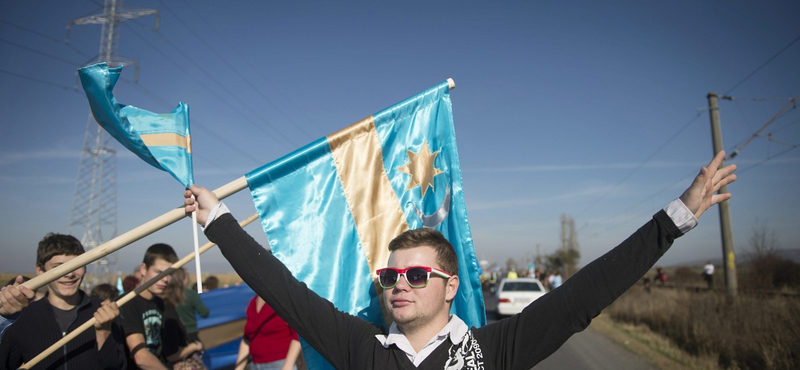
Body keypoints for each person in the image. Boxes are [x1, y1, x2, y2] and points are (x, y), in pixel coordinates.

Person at [184, 151, 736, 369]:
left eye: (417, 274)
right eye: (390, 276)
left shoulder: (493, 351)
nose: (399, 284)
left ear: (450, 287)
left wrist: (675, 219)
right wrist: (219, 220)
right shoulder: (361, 347)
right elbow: (284, 291)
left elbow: (583, 297)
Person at [0, 233, 126, 369]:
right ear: (40, 271)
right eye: (58, 267)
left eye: (77, 265)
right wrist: (4, 317)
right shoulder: (22, 317)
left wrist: (104, 331)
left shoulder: (104, 311)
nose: (69, 274)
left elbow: (117, 366)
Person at [118, 243, 179, 370]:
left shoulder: (159, 302)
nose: (165, 279)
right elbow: (141, 358)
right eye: (159, 272)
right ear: (143, 269)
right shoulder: (126, 303)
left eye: (169, 273)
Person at [234, 296, 302, 370]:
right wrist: (238, 368)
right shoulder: (253, 302)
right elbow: (247, 339)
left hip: (279, 365)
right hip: (254, 365)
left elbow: (297, 335)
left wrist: (288, 366)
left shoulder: (281, 300)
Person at [160, 267, 205, 368]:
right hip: (189, 337)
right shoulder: (169, 313)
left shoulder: (163, 307)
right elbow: (172, 354)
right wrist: (194, 346)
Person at [176, 269, 210, 344]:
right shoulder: (191, 295)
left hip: (173, 334)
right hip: (190, 333)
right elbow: (204, 313)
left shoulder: (167, 294)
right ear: (185, 279)